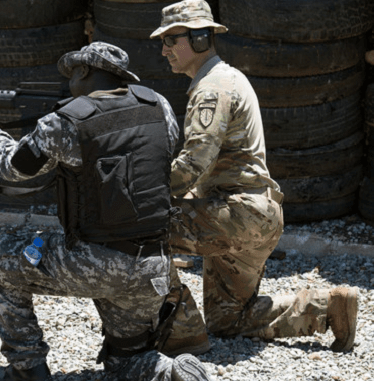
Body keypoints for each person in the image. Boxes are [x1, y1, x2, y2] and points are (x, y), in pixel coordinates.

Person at [0, 42, 214, 381]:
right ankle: (173, 374)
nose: (70, 83)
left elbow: (11, 167)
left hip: (98, 261)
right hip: (153, 266)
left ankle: (27, 369)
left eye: (73, 74)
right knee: (125, 363)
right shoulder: (159, 106)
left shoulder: (66, 122)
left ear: (85, 71)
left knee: (1, 259)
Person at [150, 0, 359, 352]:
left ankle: (178, 328)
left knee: (137, 228)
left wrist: (140, 194)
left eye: (171, 40)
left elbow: (193, 164)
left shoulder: (212, 88)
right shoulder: (225, 78)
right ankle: (330, 307)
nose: (163, 50)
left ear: (200, 38)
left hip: (238, 214)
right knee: (229, 320)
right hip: (254, 216)